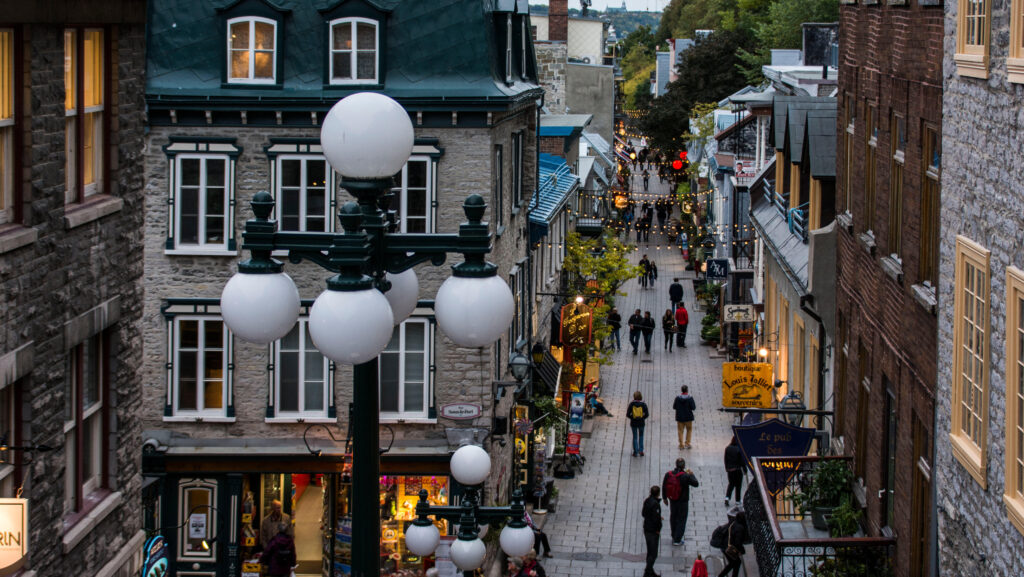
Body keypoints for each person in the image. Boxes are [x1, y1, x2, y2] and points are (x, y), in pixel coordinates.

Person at [662, 458, 699, 546]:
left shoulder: (668, 474)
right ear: (684, 466)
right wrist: (692, 474)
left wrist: (664, 498)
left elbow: (664, 486)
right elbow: (696, 484)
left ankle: (674, 535)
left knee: (673, 517)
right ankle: (677, 539)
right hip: (683, 501)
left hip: (672, 500)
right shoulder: (685, 476)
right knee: (681, 519)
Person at [717, 508, 748, 577]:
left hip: (724, 546)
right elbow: (738, 542)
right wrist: (742, 550)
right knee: (735, 562)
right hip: (728, 548)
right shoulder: (740, 528)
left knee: (734, 563)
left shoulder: (734, 523)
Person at [642, 485, 663, 577]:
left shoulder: (647, 501)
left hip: (646, 528)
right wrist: (658, 529)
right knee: (653, 553)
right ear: (658, 493)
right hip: (653, 531)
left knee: (650, 551)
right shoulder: (655, 504)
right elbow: (656, 520)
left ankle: (649, 570)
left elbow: (643, 513)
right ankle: (648, 571)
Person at [626, 391, 650, 456]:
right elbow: (647, 414)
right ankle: (641, 451)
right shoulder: (643, 404)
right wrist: (642, 418)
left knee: (635, 437)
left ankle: (635, 451)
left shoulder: (631, 404)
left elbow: (627, 414)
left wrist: (633, 418)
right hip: (641, 423)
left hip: (633, 423)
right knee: (641, 436)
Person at [724, 436, 745, 506]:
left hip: (730, 470)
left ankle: (727, 497)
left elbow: (725, 459)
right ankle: (737, 500)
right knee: (738, 486)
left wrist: (727, 468)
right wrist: (745, 470)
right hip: (738, 470)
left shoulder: (727, 448)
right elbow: (742, 461)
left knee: (731, 484)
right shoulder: (739, 449)